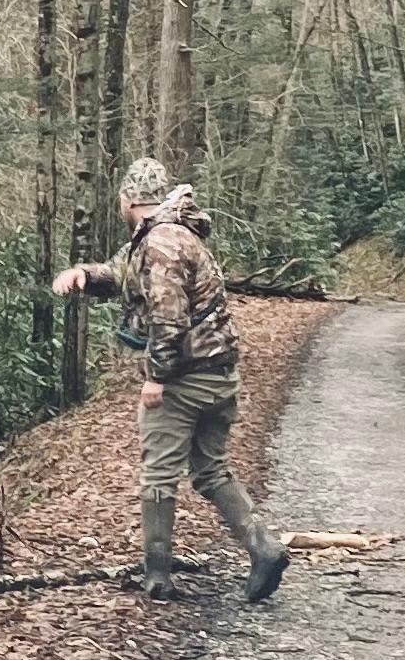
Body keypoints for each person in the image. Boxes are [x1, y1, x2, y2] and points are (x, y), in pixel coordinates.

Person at [50, 155, 289, 603]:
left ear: (128, 199)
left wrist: (156, 377)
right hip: (218, 374)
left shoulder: (160, 242)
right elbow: (121, 272)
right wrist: (85, 275)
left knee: (159, 473)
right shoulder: (169, 234)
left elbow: (168, 315)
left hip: (186, 376)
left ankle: (157, 576)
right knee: (210, 468)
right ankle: (264, 549)